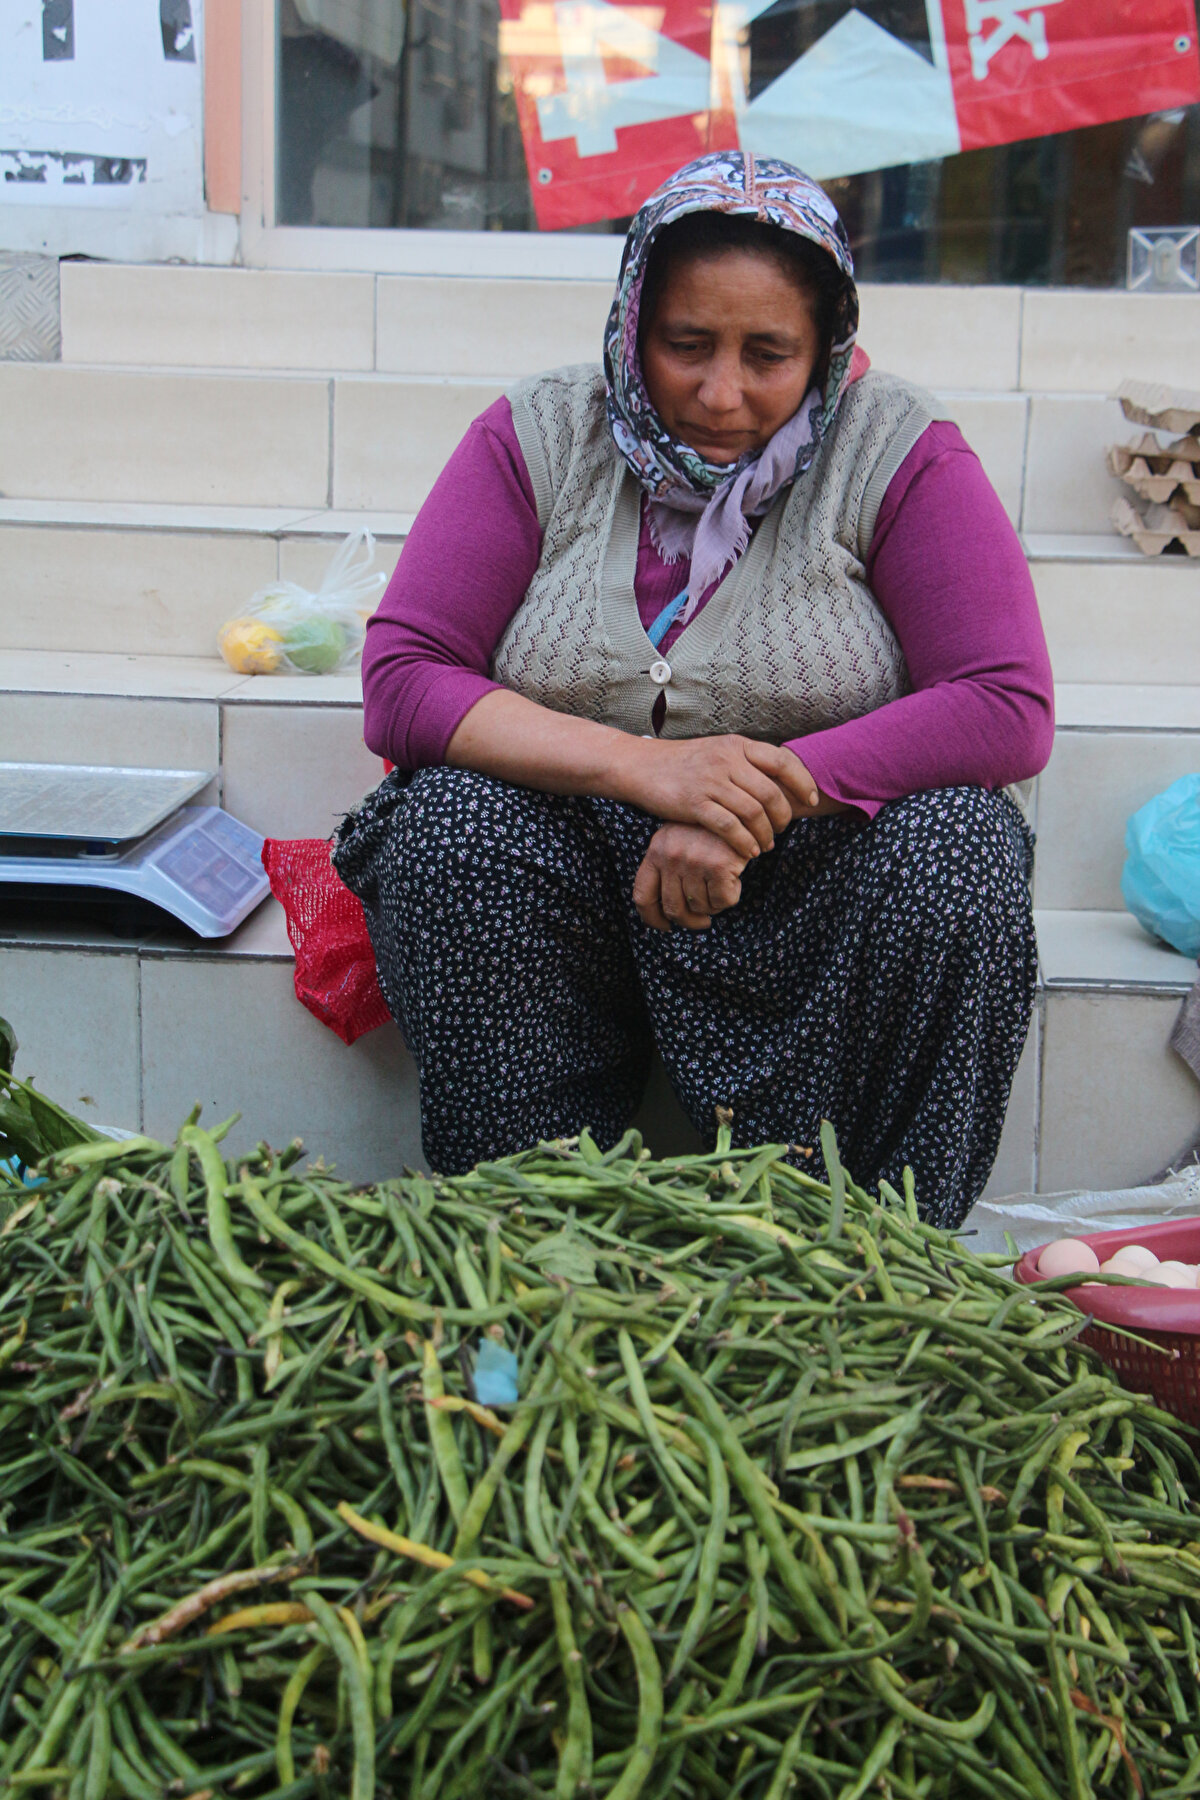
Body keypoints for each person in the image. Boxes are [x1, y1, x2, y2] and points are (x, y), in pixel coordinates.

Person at [333, 151, 1054, 1227]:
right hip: (571, 880)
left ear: (827, 349)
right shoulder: (541, 432)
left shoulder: (897, 447)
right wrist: (653, 772)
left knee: (961, 846)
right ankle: (530, 1237)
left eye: (770, 354)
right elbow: (403, 679)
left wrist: (757, 798)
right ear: (633, 325)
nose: (722, 394)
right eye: (685, 346)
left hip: (814, 881)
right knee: (448, 825)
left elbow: (1005, 701)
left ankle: (871, 1263)